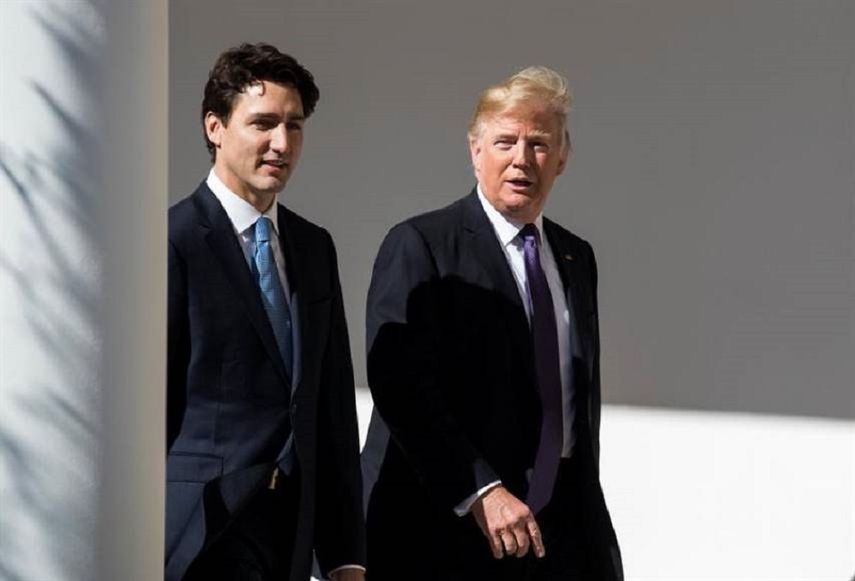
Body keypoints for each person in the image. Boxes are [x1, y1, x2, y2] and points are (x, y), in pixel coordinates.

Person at [362, 66, 623, 580]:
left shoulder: (575, 257)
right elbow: (401, 387)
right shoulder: (423, 246)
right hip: (444, 528)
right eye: (505, 141)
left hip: (555, 529)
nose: (522, 159)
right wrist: (479, 488)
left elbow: (571, 400)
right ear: (475, 151)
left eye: (540, 144)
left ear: (563, 159)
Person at [166, 43, 365, 581]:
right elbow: (151, 402)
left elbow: (331, 406)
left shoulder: (313, 246)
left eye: (294, 126)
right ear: (215, 127)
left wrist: (346, 552)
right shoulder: (172, 240)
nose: (282, 143)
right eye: (263, 124)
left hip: (292, 534)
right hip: (200, 531)